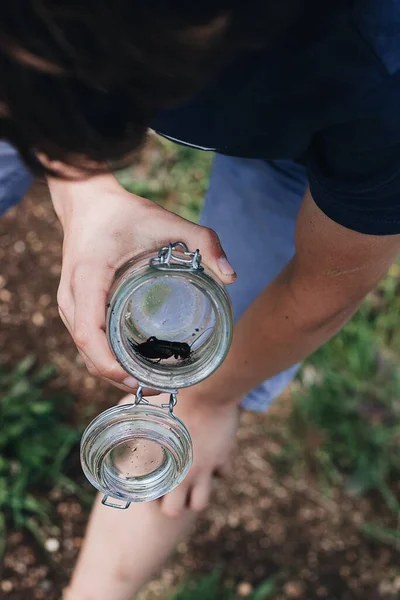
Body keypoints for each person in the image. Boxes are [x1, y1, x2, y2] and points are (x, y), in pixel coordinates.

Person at [1, 1, 400, 598]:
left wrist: (211, 397)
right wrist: (82, 190)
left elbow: (326, 288)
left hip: (315, 138)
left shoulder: (376, 76)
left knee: (196, 398)